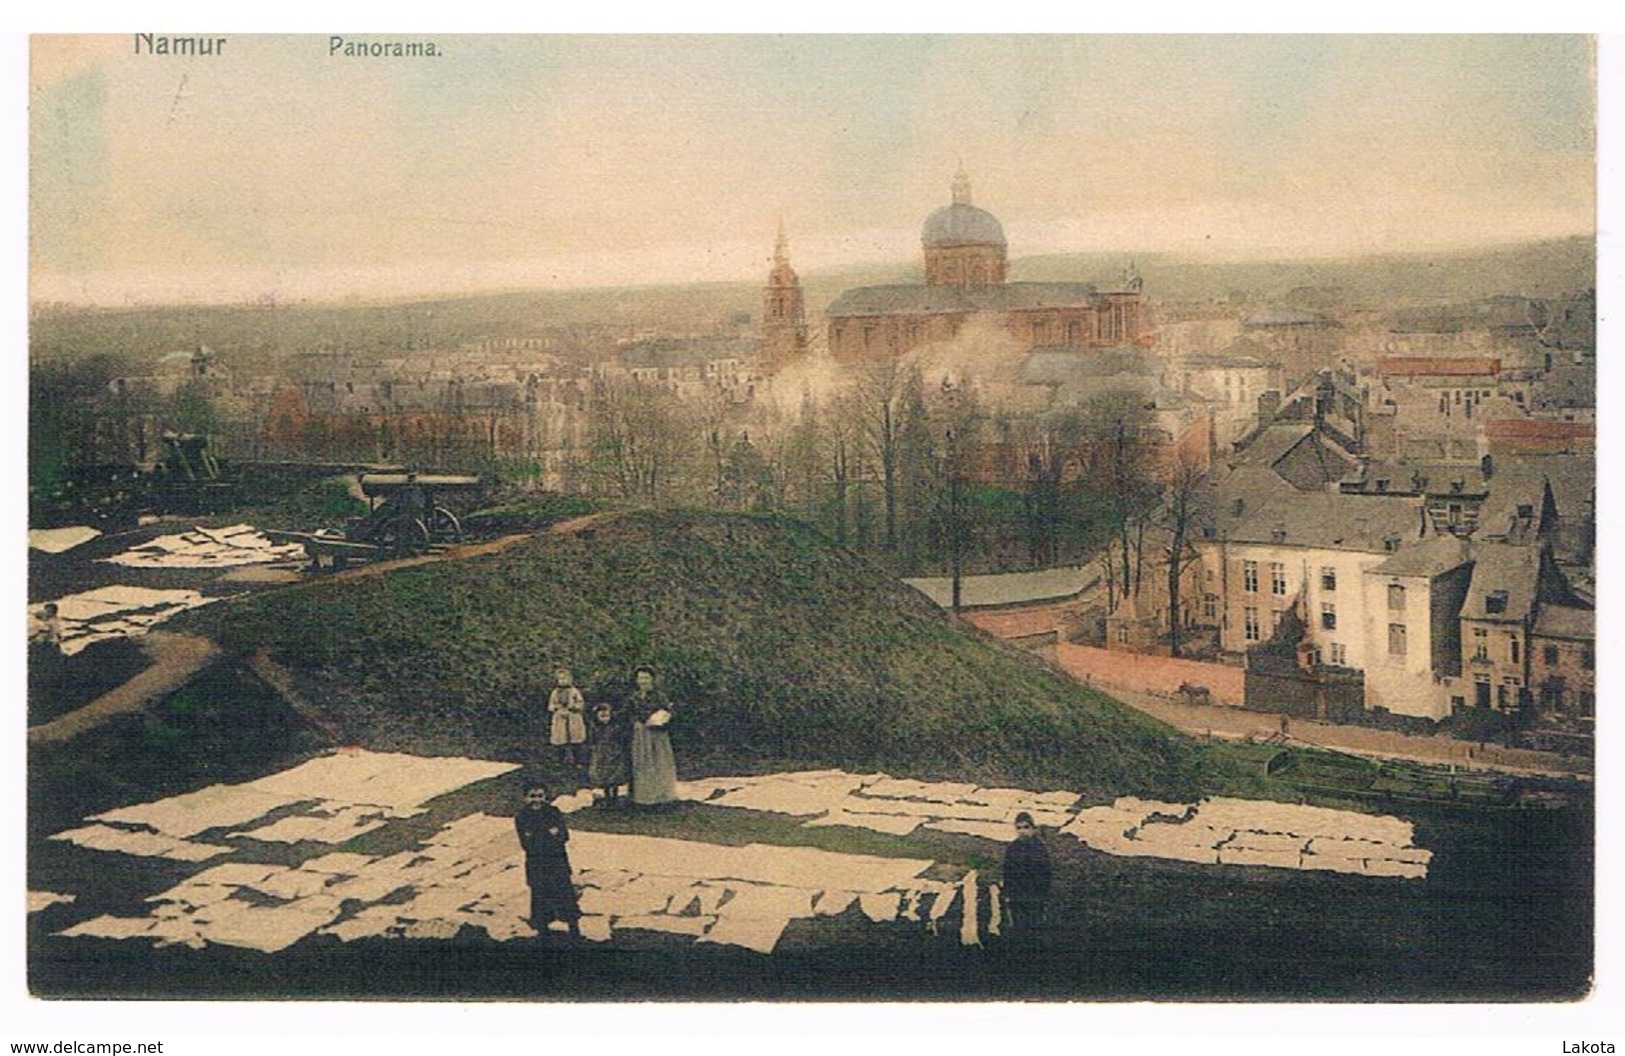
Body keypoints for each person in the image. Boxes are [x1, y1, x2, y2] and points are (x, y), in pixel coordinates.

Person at [514, 781, 581, 939]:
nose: (537, 800)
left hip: (556, 861)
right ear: (525, 798)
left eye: (540, 796)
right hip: (536, 863)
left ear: (546, 797)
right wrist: (548, 833)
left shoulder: (553, 812)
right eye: (532, 796)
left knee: (564, 893)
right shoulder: (522, 816)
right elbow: (527, 843)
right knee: (539, 894)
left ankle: (573, 927)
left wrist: (540, 834)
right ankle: (542, 929)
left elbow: (563, 835)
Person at [627, 665, 678, 806]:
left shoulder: (660, 696)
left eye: (646, 677)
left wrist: (658, 719)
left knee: (658, 762)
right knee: (642, 763)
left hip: (657, 734)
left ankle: (661, 796)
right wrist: (637, 722)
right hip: (640, 734)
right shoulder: (634, 697)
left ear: (652, 679)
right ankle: (643, 797)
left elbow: (668, 712)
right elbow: (629, 713)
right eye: (641, 678)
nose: (643, 681)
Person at [1001, 812, 1052, 941]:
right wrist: (1007, 892)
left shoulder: (1040, 848)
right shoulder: (1012, 848)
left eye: (1026, 827)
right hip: (1017, 895)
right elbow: (1007, 872)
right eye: (1019, 828)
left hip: (1034, 895)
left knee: (1034, 927)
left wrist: (1042, 894)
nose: (1022, 831)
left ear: (1033, 829)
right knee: (1018, 927)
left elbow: (1045, 873)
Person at [587, 700, 630, 808]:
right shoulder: (595, 728)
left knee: (614, 775)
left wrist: (619, 748)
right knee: (603, 775)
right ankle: (607, 797)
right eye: (601, 716)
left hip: (614, 753)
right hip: (601, 754)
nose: (604, 718)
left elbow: (622, 738)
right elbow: (592, 740)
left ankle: (614, 797)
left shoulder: (616, 728)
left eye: (606, 716)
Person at [547, 667, 588, 768]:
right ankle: (559, 760)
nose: (562, 681)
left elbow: (580, 703)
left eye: (564, 679)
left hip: (573, 716)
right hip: (560, 717)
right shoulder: (555, 692)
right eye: (560, 679)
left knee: (576, 739)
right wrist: (556, 708)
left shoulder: (574, 691)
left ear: (570, 679)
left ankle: (577, 761)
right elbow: (551, 705)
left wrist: (574, 707)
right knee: (560, 739)